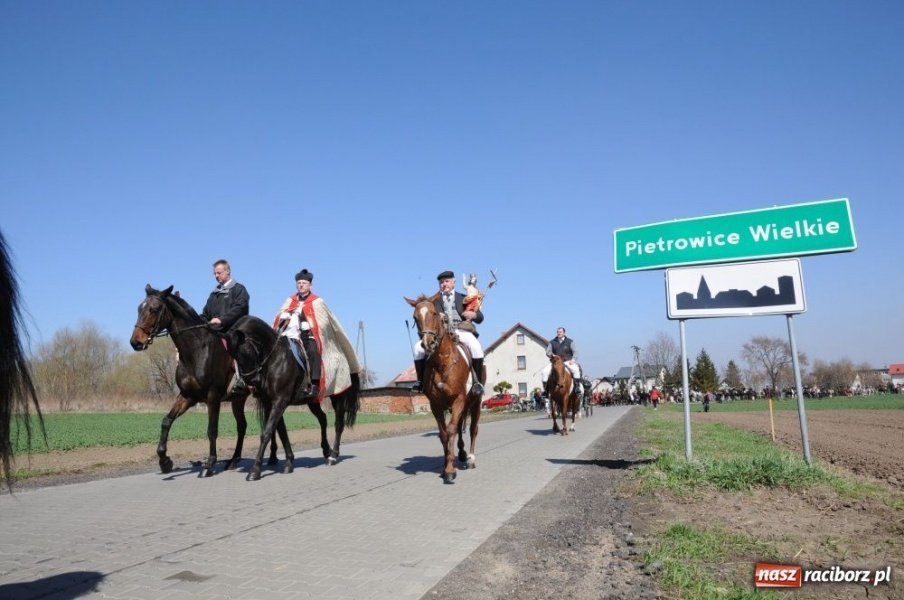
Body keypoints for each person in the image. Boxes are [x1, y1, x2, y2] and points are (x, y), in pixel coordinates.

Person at [273, 269, 360, 398]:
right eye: (299, 283)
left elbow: (324, 322)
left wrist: (309, 324)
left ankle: (314, 384)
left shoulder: (317, 301)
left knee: (313, 352)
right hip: (290, 334)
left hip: (308, 335)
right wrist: (284, 316)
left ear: (310, 286)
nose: (301, 285)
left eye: (304, 283)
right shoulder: (290, 300)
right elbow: (279, 316)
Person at [411, 270, 485, 395]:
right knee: (418, 348)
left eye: (447, 281)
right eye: (441, 282)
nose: (444, 284)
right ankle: (420, 381)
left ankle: (477, 383)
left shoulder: (464, 298)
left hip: (461, 330)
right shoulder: (433, 302)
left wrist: (474, 315)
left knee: (476, 347)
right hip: (441, 334)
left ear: (453, 282)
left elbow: (481, 318)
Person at [200, 259, 250, 392]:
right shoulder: (213, 294)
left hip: (235, 329)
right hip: (215, 331)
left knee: (235, 345)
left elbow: (240, 308)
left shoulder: (239, 289)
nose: (216, 276)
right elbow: (205, 314)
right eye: (214, 273)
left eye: (219, 272)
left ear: (227, 271)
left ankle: (241, 379)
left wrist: (222, 320)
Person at [541, 327, 583, 396]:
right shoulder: (552, 342)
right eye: (557, 332)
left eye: (560, 332)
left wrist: (573, 359)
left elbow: (575, 352)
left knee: (576, 370)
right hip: (556, 362)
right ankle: (546, 391)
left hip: (567, 361)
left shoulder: (570, 341)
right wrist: (553, 355)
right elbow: (548, 352)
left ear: (564, 333)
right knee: (545, 372)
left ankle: (577, 388)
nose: (559, 333)